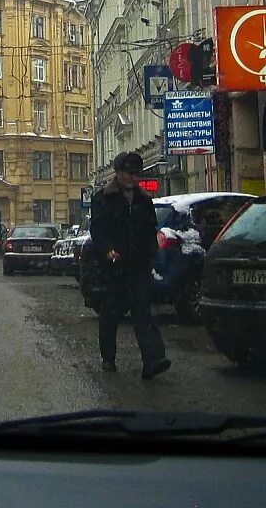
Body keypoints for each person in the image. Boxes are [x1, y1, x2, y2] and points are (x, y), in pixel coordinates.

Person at [87, 151, 170, 379]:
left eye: (136, 174)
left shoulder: (144, 199)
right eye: (128, 173)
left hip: (138, 265)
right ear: (119, 173)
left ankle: (153, 360)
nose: (132, 178)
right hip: (113, 265)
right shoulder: (104, 197)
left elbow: (150, 229)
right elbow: (97, 229)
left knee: (142, 311)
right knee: (110, 312)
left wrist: (150, 253)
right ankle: (108, 358)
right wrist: (108, 250)